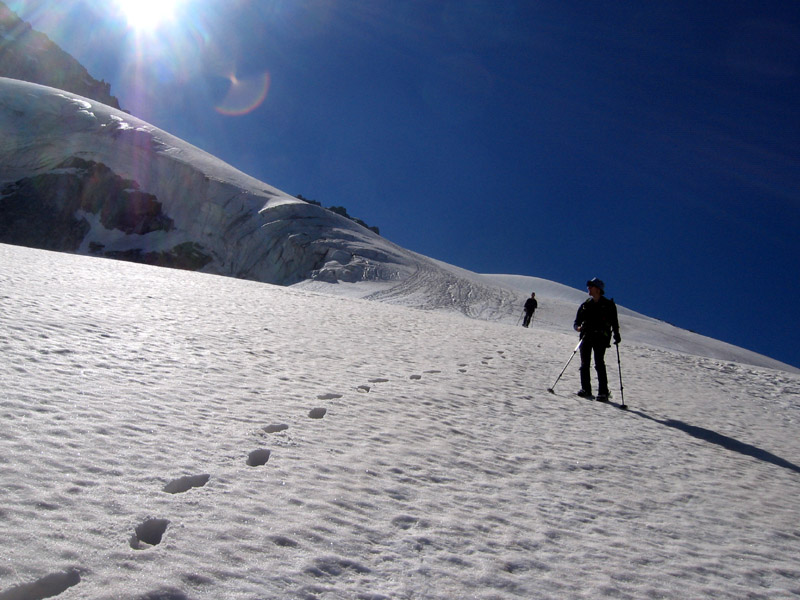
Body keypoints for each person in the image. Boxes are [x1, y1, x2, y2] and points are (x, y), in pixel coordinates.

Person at [573, 277, 621, 401]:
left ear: (598, 289)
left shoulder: (608, 305)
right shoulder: (585, 305)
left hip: (600, 337)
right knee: (585, 364)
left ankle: (603, 391)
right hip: (586, 336)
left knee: (599, 363)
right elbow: (576, 322)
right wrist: (578, 328)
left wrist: (616, 334)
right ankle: (586, 389)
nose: (588, 288)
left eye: (591, 286)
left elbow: (614, 322)